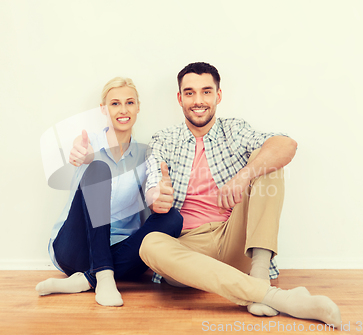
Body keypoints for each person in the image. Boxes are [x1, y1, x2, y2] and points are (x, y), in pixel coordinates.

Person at [139, 62, 341, 327]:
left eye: (206, 92)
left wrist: (244, 175)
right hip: (189, 249)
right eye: (189, 93)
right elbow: (153, 180)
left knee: (267, 158)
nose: (198, 101)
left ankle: (259, 272)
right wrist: (156, 197)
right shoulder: (163, 139)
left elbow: (286, 145)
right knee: (150, 244)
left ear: (218, 96)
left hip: (233, 237)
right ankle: (279, 298)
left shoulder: (234, 130)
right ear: (179, 98)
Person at [36, 77, 182, 307]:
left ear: (138, 107)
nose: (123, 110)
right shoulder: (90, 142)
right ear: (104, 109)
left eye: (129, 102)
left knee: (173, 218)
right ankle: (103, 275)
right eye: (115, 103)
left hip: (121, 251)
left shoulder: (146, 155)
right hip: (75, 249)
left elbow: (154, 190)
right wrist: (83, 156)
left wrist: (158, 197)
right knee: (98, 168)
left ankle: (87, 279)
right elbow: (81, 150)